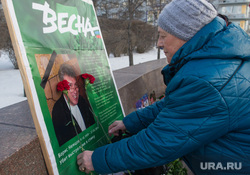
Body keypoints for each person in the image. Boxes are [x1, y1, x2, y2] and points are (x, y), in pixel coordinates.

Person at [77, 0, 250, 174]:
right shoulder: (219, 57)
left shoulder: (208, 79)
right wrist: (130, 122)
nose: (159, 43)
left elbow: (159, 143)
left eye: (163, 36)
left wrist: (98, 159)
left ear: (186, 34)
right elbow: (175, 104)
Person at [52, 64, 95, 146]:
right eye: (70, 85)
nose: (75, 90)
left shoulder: (82, 100)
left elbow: (92, 122)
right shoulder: (58, 110)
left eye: (75, 85)